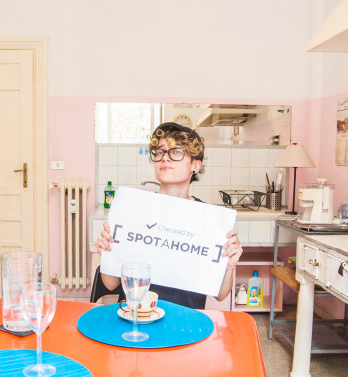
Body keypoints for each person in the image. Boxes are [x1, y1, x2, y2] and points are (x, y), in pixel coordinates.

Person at [94, 122, 243, 309]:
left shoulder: (210, 222)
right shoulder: (134, 212)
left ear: (195, 165)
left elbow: (221, 295)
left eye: (177, 151)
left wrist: (228, 266)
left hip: (185, 320)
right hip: (137, 317)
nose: (165, 158)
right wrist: (107, 252)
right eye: (160, 152)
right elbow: (110, 284)